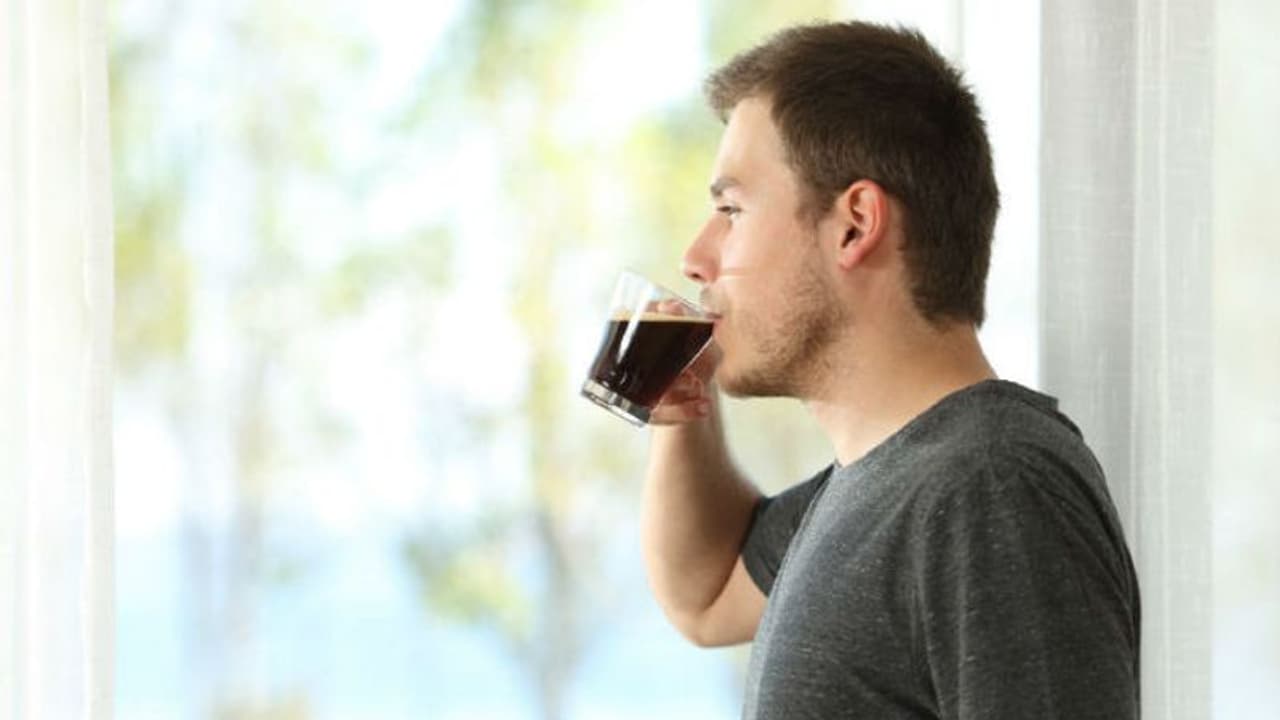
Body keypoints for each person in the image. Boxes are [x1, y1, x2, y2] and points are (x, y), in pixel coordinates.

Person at [640, 21, 1140, 720]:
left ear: (855, 224)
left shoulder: (989, 483)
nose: (696, 257)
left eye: (731, 210)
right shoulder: (882, 480)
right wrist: (681, 412)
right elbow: (706, 596)